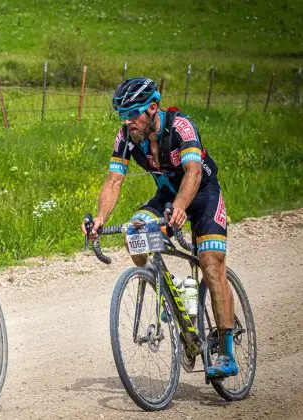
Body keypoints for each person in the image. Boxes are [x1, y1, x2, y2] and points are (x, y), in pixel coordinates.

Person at [82, 77, 237, 378]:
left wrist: (180, 209)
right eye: (122, 116)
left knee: (210, 262)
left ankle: (227, 354)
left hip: (203, 194)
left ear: (152, 108)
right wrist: (100, 218)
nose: (128, 122)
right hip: (166, 196)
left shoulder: (181, 127)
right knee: (135, 234)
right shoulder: (126, 137)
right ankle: (166, 288)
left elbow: (192, 173)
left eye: (133, 114)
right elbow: (114, 180)